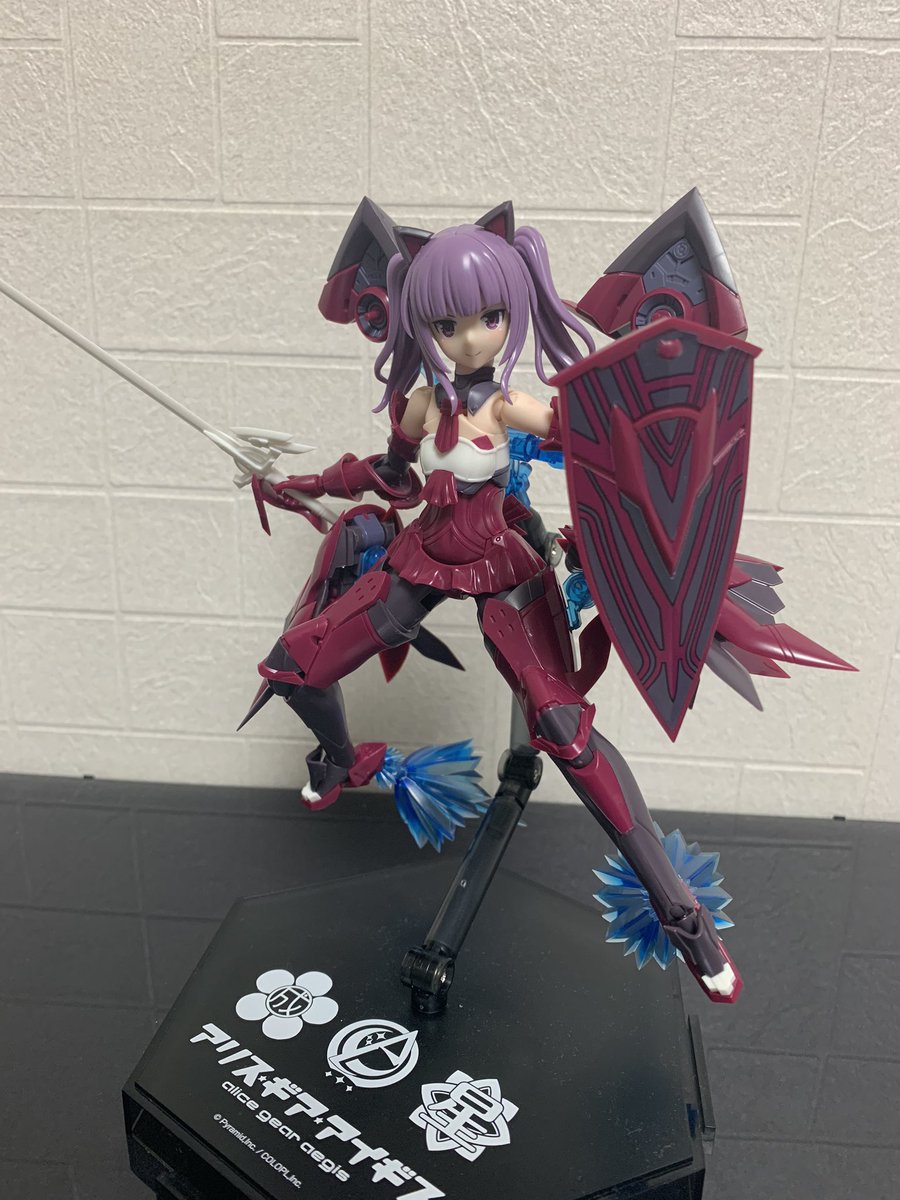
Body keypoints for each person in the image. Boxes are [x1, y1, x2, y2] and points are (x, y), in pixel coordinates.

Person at [252, 201, 740, 1003]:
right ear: (420, 323)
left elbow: (599, 443)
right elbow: (391, 479)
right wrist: (296, 482)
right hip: (422, 558)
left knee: (563, 729)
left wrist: (661, 419)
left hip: (502, 568)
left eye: (488, 318)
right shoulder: (419, 406)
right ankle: (340, 759)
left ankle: (687, 919)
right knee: (291, 667)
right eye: (447, 324)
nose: (470, 339)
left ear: (512, 311)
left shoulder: (511, 407)